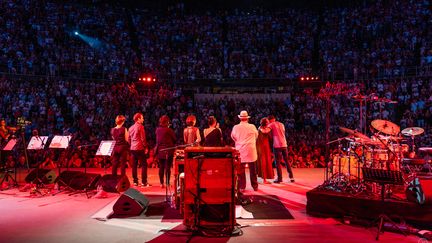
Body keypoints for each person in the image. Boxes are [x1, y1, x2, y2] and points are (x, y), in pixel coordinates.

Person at [231, 110, 259, 192]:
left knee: (241, 170)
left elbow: (233, 137)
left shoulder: (236, 127)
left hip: (241, 150)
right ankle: (255, 186)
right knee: (253, 169)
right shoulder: (252, 126)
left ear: (240, 118)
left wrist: (240, 142)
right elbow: (256, 136)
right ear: (247, 118)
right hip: (251, 150)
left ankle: (242, 186)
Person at [267, 115, 295, 183]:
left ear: (269, 120)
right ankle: (291, 177)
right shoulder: (281, 124)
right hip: (284, 144)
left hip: (277, 145)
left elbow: (266, 131)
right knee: (286, 161)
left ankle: (279, 178)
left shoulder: (271, 124)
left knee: (277, 162)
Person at [128, 112, 150, 187]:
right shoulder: (140, 126)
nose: (143, 119)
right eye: (142, 118)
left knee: (134, 165)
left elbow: (129, 139)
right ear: (138, 119)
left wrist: (131, 145)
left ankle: (135, 182)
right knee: (144, 164)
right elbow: (143, 139)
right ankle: (144, 182)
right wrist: (146, 147)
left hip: (133, 148)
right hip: (139, 147)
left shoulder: (130, 128)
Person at [155, 115, 176, 188]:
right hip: (168, 151)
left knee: (161, 167)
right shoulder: (169, 130)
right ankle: (167, 183)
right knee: (167, 167)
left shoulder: (157, 130)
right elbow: (174, 139)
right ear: (167, 122)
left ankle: (161, 183)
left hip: (160, 150)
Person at [256, 117, 274, 184]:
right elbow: (269, 136)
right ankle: (264, 179)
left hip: (261, 147)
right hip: (264, 147)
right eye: (268, 122)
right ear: (266, 123)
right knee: (264, 162)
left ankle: (263, 178)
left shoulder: (259, 128)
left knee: (262, 162)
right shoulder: (266, 130)